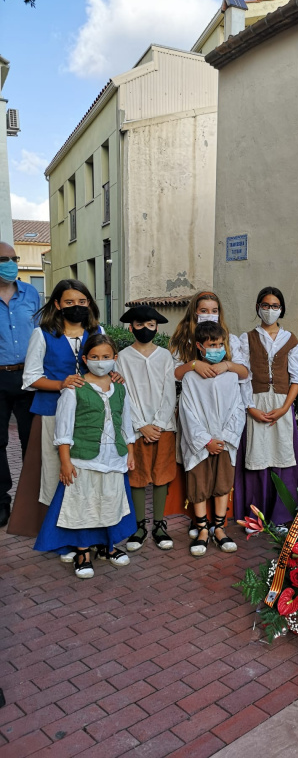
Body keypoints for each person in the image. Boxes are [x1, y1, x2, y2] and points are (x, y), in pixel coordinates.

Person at [8, 279, 109, 543]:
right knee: (57, 473)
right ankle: (59, 535)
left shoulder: (98, 331)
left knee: (87, 471)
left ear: (89, 303)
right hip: (52, 412)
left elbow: (103, 365)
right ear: (57, 304)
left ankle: (88, 528)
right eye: (69, 302)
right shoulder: (42, 334)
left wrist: (114, 376)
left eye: (82, 301)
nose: (76, 306)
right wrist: (61, 384)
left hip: (90, 414)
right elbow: (30, 379)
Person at [34, 333, 136, 579]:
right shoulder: (74, 388)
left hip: (114, 458)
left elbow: (127, 424)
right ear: (85, 358)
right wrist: (66, 461)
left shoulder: (120, 388)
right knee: (83, 504)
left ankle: (107, 546)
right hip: (84, 459)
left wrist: (130, 453)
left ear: (115, 358)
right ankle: (82, 552)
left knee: (110, 500)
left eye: (106, 357)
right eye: (95, 357)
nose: (101, 361)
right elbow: (64, 429)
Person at [168, 290, 248, 540]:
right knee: (198, 476)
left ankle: (218, 525)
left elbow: (243, 373)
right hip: (198, 417)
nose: (209, 314)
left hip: (223, 421)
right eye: (203, 310)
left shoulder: (230, 341)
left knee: (222, 477)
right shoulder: (183, 340)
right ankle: (200, 523)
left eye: (214, 310)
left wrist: (226, 365)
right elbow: (173, 374)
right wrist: (193, 364)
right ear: (194, 311)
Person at [234, 286, 298, 524]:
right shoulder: (247, 338)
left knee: (282, 456)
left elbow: (297, 378)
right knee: (257, 458)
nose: (270, 310)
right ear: (258, 307)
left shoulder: (291, 340)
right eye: (266, 305)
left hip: (282, 404)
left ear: (281, 309)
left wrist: (285, 408)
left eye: (275, 306)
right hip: (255, 402)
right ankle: (256, 518)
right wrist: (250, 408)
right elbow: (243, 376)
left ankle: (281, 518)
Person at [179, 321, 246, 556]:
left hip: (225, 443)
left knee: (221, 484)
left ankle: (219, 528)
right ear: (199, 346)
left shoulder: (230, 376)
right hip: (200, 444)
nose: (217, 348)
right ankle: (202, 530)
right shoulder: (190, 378)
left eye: (220, 344)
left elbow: (238, 409)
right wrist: (206, 440)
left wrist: (225, 438)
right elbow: (187, 412)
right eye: (212, 345)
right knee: (199, 484)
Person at [116, 305, 177, 552]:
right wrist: (141, 425)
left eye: (150, 325)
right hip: (136, 427)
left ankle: (159, 525)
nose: (145, 329)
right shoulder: (121, 358)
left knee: (162, 474)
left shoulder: (165, 356)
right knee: (138, 476)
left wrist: (159, 424)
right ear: (131, 327)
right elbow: (124, 394)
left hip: (164, 427)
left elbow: (170, 392)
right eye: (139, 325)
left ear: (157, 327)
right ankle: (139, 526)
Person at [0, 240, 40, 527]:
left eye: (14, 258)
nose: (11, 263)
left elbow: (42, 333)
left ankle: (32, 502)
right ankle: (2, 502)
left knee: (32, 440)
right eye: (5, 259)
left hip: (29, 377)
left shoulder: (31, 293)